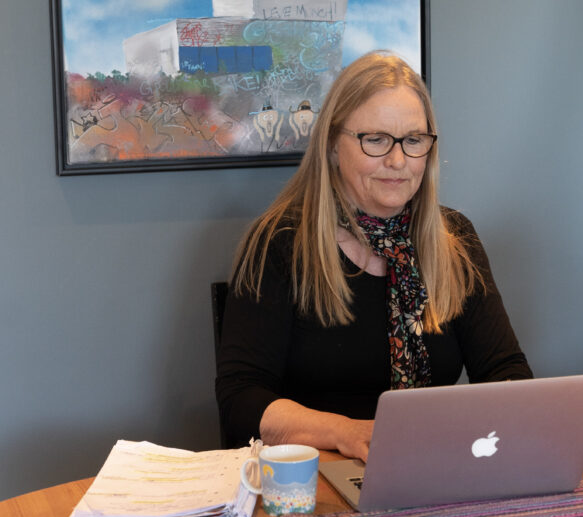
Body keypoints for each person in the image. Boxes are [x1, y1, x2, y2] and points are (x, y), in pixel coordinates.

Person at [216, 51, 532, 460]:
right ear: (333, 145)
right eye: (376, 140)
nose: (398, 161)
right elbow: (241, 400)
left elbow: (506, 370)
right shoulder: (279, 244)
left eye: (413, 140)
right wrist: (347, 432)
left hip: (433, 462)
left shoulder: (454, 239)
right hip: (316, 475)